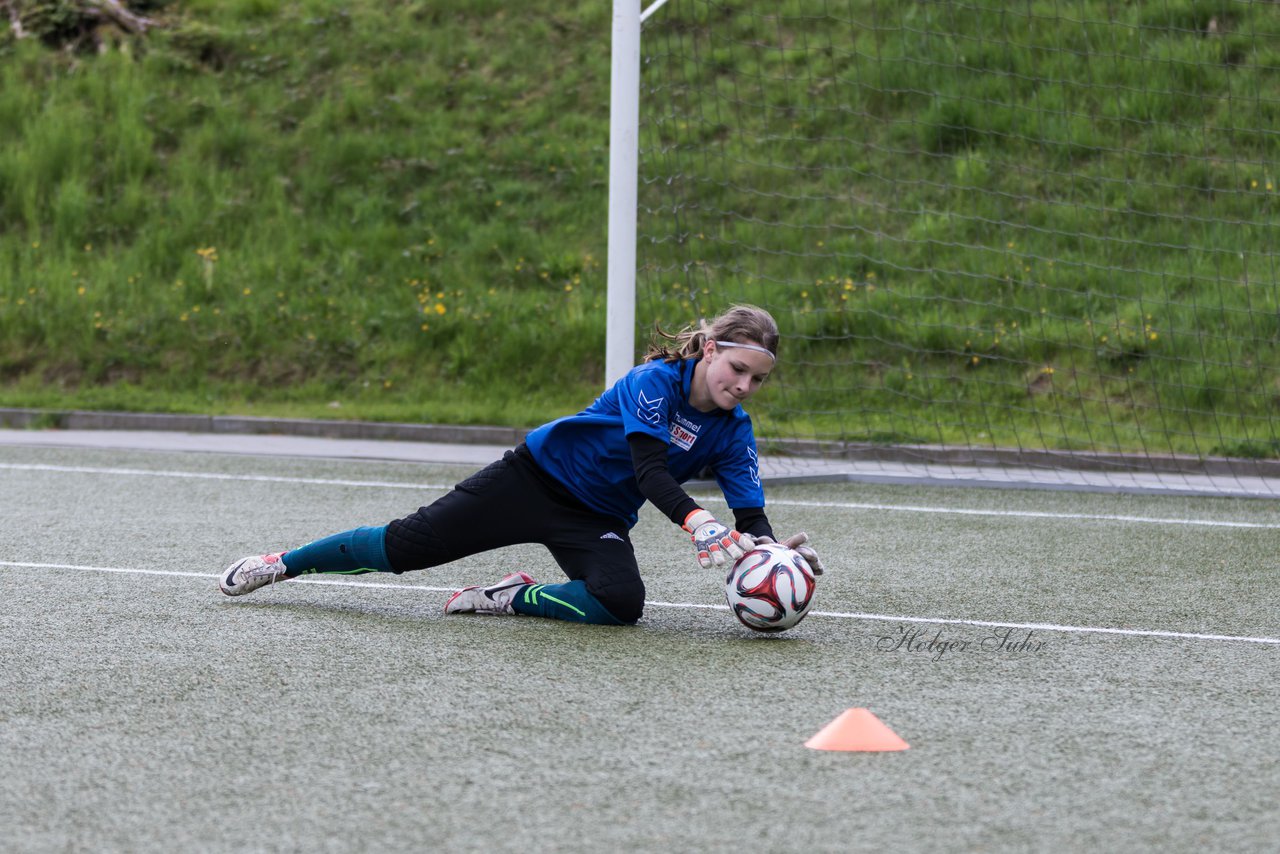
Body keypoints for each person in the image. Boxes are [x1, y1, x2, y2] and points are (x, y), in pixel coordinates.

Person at [219, 304, 823, 626]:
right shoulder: (653, 382)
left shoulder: (734, 431)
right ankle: (281, 565)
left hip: (596, 518)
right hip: (530, 481)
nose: (743, 385)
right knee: (402, 547)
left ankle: (511, 597)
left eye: (758, 380)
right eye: (736, 370)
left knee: (621, 604)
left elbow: (750, 512)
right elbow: (651, 473)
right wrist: (697, 522)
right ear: (711, 349)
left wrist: (775, 554)